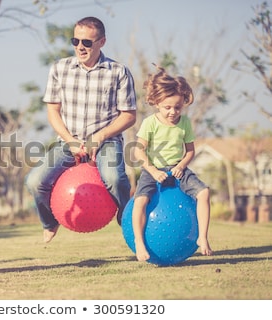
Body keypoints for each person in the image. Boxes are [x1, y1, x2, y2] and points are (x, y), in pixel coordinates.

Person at [25, 16, 137, 243]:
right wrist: (70, 140)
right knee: (34, 181)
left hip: (106, 142)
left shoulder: (118, 72)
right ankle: (49, 222)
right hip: (68, 142)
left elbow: (129, 115)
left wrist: (101, 136)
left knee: (114, 178)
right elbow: (53, 111)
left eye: (87, 42)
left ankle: (126, 219)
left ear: (102, 42)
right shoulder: (59, 68)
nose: (80, 47)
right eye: (75, 41)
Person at [131, 65, 213, 262]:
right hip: (153, 170)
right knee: (140, 201)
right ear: (157, 103)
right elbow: (137, 150)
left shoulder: (184, 123)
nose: (173, 112)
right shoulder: (150, 123)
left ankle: (202, 237)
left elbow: (190, 151)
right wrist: (152, 170)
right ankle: (139, 243)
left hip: (178, 169)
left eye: (177, 107)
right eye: (167, 107)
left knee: (204, 193)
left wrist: (181, 166)